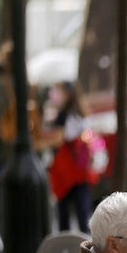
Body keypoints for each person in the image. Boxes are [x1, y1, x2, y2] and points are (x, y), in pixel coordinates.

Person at [41, 80, 95, 234]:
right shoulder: (77, 112)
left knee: (68, 213)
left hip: (69, 169)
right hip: (76, 169)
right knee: (79, 213)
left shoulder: (67, 115)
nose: (54, 94)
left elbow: (59, 138)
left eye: (58, 90)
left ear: (67, 93)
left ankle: (70, 247)